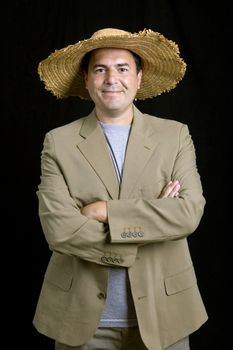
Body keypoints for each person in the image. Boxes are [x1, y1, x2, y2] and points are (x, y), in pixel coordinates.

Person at [33, 28, 208, 350]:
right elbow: (59, 230)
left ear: (139, 78)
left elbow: (187, 213)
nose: (112, 78)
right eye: (101, 69)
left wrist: (104, 212)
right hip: (82, 319)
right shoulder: (58, 142)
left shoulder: (175, 135)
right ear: (87, 79)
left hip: (164, 315)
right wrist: (151, 225)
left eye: (123, 68)